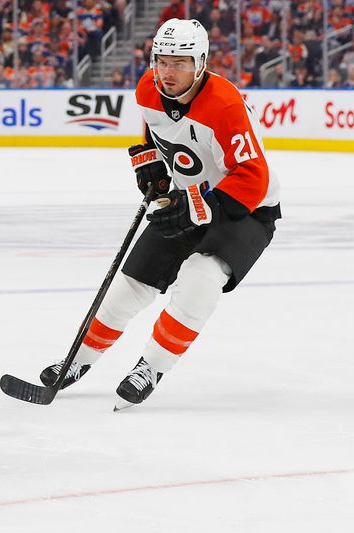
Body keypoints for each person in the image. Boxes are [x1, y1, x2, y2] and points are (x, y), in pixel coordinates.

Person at [40, 19, 281, 410]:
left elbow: (254, 176)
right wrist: (150, 163)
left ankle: (150, 367)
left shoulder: (224, 104)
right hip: (189, 199)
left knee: (201, 277)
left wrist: (199, 207)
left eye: (180, 63)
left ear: (200, 63)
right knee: (132, 282)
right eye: (162, 61)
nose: (168, 73)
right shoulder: (148, 88)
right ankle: (77, 361)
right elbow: (152, 129)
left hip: (245, 209)